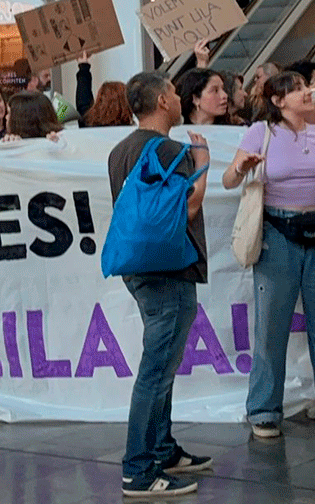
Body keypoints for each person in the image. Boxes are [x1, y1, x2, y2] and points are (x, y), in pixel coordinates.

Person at [223, 71, 315, 440]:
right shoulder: (261, 132)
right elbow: (229, 179)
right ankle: (263, 409)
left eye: (308, 87)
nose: (309, 92)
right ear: (278, 101)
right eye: (299, 89)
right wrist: (241, 168)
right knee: (271, 324)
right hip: (277, 235)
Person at [108, 71, 211, 497]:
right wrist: (202, 161)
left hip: (138, 265)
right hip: (170, 267)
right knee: (157, 368)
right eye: (172, 91)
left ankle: (162, 448)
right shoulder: (171, 149)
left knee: (162, 363)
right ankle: (138, 468)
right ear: (163, 101)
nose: (176, 96)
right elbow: (187, 208)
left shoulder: (120, 150)